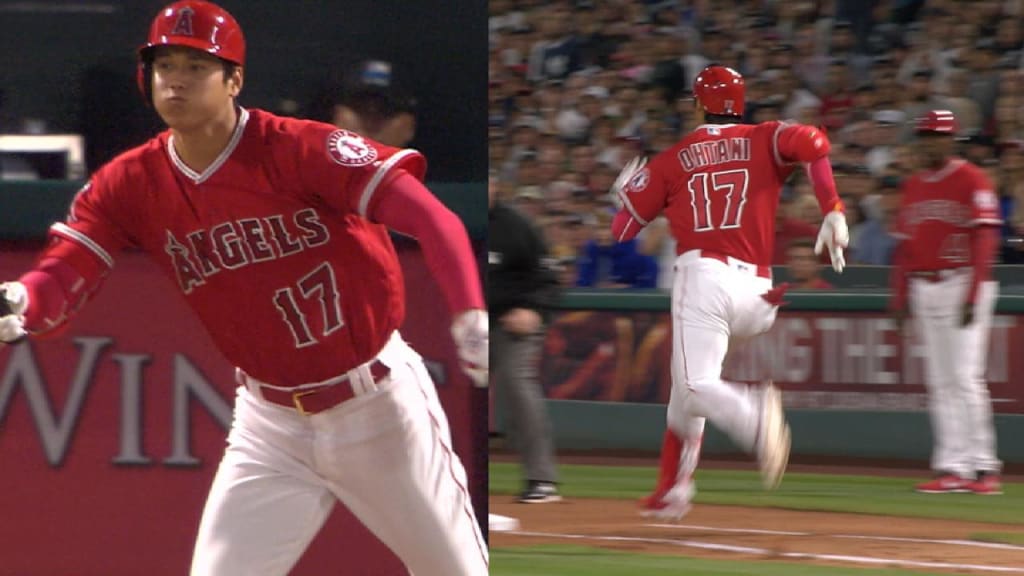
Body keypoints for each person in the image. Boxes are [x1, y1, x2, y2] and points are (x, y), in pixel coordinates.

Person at [0, 2, 489, 575]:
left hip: (375, 407)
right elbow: (66, 269)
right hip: (269, 424)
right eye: (164, 65)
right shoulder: (129, 183)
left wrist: (469, 310)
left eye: (196, 65)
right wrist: (24, 300)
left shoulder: (301, 148)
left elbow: (436, 218)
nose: (176, 79)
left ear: (234, 79)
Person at [609, 65, 849, 520]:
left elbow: (622, 232)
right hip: (758, 294)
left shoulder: (672, 158)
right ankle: (671, 490)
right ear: (739, 102)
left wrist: (623, 197)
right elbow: (816, 144)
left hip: (705, 280)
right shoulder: (765, 136)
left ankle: (754, 416)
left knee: (697, 385)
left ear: (697, 105)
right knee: (685, 391)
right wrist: (832, 207)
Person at [889, 110, 1003, 495]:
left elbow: (986, 240)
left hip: (963, 281)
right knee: (940, 382)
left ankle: (984, 468)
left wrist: (974, 292)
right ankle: (953, 467)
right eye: (924, 136)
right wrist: (900, 295)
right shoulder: (913, 185)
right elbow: (904, 248)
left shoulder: (973, 179)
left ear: (952, 139)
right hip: (925, 286)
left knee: (965, 377)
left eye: (936, 136)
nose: (929, 142)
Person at [487, 171, 562, 503]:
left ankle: (540, 478)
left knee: (517, 384)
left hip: (510, 321)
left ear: (496, 185)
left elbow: (549, 275)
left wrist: (533, 309)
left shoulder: (515, 225)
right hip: (469, 323)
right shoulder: (453, 220)